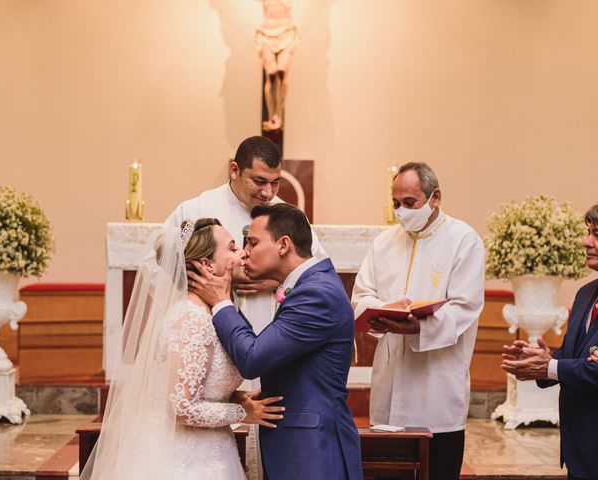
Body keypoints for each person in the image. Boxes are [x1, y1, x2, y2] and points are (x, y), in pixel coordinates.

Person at [164, 135, 325, 478]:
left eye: (275, 182)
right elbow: (160, 269)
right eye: (259, 182)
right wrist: (212, 290)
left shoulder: (287, 218)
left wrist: (276, 278)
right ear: (234, 170)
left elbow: (312, 271)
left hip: (268, 338)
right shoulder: (194, 210)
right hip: (205, 335)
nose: (268, 193)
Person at [80, 219, 283, 479]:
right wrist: (243, 412)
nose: (242, 252)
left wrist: (234, 398)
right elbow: (179, 408)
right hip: (181, 461)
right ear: (207, 265)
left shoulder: (214, 315)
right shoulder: (192, 320)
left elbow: (195, 386)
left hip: (209, 451)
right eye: (232, 248)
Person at [189, 203, 362, 479]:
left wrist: (221, 303)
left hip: (312, 451)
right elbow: (264, 348)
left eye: (253, 242)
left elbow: (253, 359)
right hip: (301, 445)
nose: (245, 252)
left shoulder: (317, 294)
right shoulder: (312, 285)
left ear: (283, 245)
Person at [351, 162, 485, 480]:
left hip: (436, 384)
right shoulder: (383, 243)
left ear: (435, 197)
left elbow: (465, 307)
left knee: (436, 469)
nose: (401, 212)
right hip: (390, 379)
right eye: (396, 203)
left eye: (409, 203)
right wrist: (383, 309)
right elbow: (362, 295)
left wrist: (419, 325)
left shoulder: (464, 240)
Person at [502, 203, 598, 480]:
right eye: (588, 232)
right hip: (580, 449)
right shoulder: (585, 293)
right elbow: (572, 354)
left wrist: (549, 367)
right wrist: (538, 359)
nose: (586, 242)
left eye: (596, 234)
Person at [255, 0, 298, 131]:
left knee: (281, 72)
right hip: (267, 33)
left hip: (287, 32)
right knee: (271, 74)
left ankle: (278, 115)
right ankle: (271, 115)